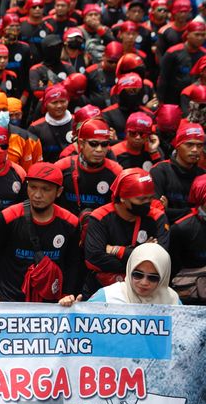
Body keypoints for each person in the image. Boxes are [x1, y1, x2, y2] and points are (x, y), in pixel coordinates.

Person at [0, 162, 81, 302]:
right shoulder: (8, 217)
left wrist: (66, 295)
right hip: (11, 300)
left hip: (51, 302)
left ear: (59, 192)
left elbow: (73, 262)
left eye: (46, 189)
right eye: (33, 187)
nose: (38, 195)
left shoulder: (71, 223)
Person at [83, 168, 170, 297]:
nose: (147, 203)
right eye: (141, 199)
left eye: (150, 198)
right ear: (123, 198)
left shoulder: (157, 217)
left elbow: (159, 260)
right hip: (101, 288)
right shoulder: (100, 216)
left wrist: (118, 251)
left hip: (145, 289)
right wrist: (140, 255)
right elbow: (94, 259)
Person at [55, 117, 123, 217]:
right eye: (93, 144)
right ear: (81, 143)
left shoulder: (116, 172)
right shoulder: (61, 167)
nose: (99, 150)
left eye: (104, 144)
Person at [86, 243, 180, 304]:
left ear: (163, 278)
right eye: (138, 275)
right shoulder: (108, 296)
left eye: (153, 278)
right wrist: (73, 307)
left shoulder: (173, 301)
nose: (144, 282)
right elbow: (80, 325)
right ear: (129, 270)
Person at [150, 122, 206, 222]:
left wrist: (168, 210)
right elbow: (156, 212)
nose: (195, 150)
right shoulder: (160, 171)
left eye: (199, 145)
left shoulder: (202, 176)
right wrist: (194, 211)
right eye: (189, 144)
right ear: (178, 145)